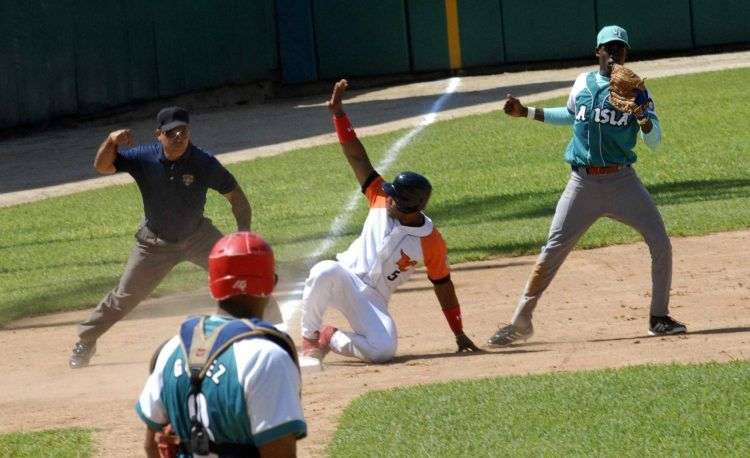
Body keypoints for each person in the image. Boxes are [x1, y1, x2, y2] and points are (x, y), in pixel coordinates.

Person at [488, 25, 686, 347]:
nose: (614, 55)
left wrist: (643, 116)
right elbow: (569, 116)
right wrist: (527, 112)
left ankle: (659, 317)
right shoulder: (583, 83)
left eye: (620, 49)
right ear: (598, 52)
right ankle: (520, 322)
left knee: (660, 242)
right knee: (552, 250)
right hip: (582, 184)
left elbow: (655, 141)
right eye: (609, 48)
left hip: (624, 182)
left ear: (626, 54)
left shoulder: (638, 92)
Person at [301, 80, 480, 364]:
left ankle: (330, 337)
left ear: (410, 205)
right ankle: (309, 339)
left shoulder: (430, 240)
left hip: (372, 300)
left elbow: (443, 285)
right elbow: (357, 157)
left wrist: (458, 332)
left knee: (383, 350)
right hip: (343, 277)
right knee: (323, 269)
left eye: (394, 197)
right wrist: (339, 114)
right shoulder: (380, 198)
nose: (388, 196)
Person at [69, 106, 253, 368]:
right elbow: (102, 166)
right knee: (124, 296)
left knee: (240, 276)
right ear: (159, 135)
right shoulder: (144, 158)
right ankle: (86, 341)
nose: (178, 136)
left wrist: (243, 237)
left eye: (183, 130)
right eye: (171, 132)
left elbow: (237, 198)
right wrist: (110, 141)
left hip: (198, 236)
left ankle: (264, 330)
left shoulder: (203, 162)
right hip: (154, 243)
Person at [136, 231, 306, 457]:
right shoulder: (267, 357)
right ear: (271, 283)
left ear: (211, 285)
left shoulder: (172, 349)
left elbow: (151, 446)